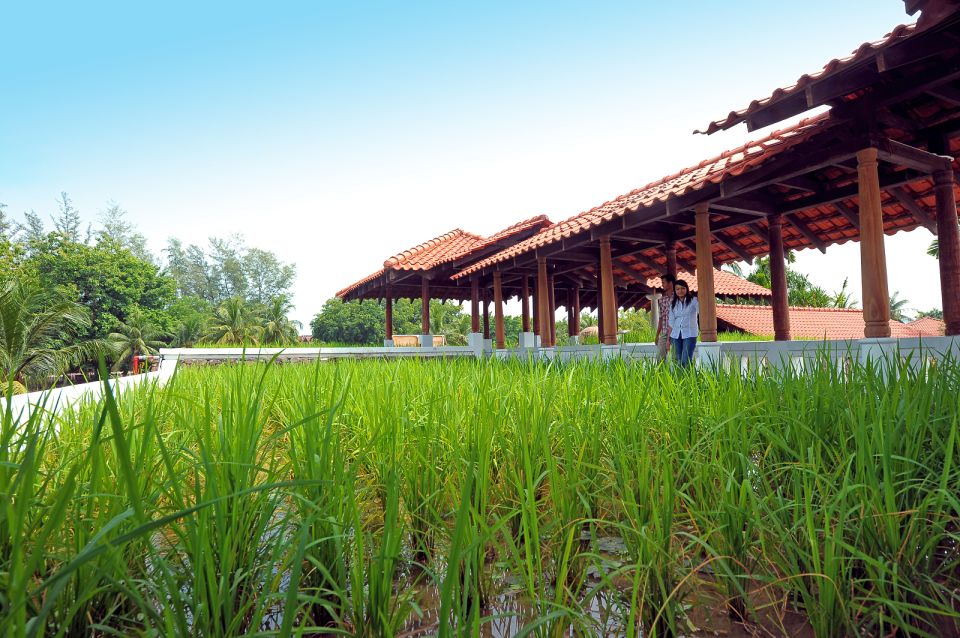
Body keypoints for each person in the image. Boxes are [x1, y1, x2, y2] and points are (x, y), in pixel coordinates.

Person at [669, 279, 699, 367]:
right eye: (677, 289)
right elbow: (671, 321)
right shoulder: (673, 304)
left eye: (682, 288)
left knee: (686, 360)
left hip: (689, 334)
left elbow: (701, 311)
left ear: (686, 289)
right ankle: (678, 379)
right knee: (676, 360)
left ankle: (688, 379)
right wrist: (668, 338)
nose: (680, 291)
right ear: (675, 290)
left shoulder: (694, 300)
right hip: (675, 335)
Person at [654, 274, 675, 362]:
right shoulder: (662, 300)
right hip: (664, 332)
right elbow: (661, 318)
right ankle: (661, 375)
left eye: (663, 282)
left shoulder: (678, 298)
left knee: (675, 358)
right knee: (659, 357)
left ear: (670, 283)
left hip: (676, 332)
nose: (662, 285)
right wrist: (657, 335)